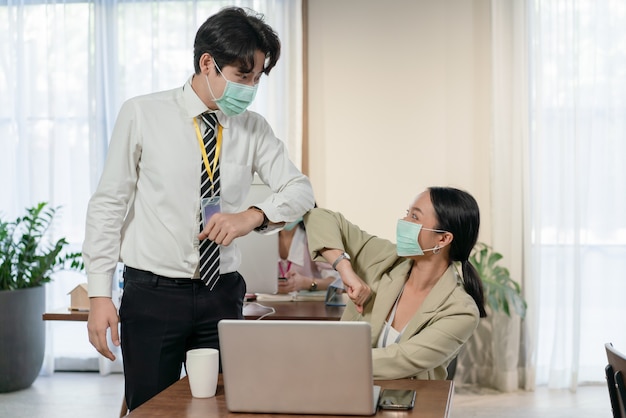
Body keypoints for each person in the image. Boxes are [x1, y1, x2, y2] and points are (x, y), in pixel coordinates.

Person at [82, 7, 315, 411]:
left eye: (258, 78)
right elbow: (108, 205)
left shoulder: (253, 127)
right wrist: (99, 295)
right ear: (208, 63)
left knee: (225, 406)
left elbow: (300, 191)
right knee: (151, 408)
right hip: (152, 294)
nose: (251, 88)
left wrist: (252, 216)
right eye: (244, 76)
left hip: (221, 293)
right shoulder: (142, 113)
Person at [303, 186, 486, 380]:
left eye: (414, 217)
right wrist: (344, 268)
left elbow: (402, 360)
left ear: (442, 239)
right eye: (407, 214)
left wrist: (330, 359)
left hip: (409, 402)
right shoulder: (385, 258)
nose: (403, 222)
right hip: (344, 386)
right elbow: (318, 216)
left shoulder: (461, 311)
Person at [276, 218, 340, 294]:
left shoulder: (316, 239)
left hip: (310, 304)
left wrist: (306, 283)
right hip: (270, 303)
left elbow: (338, 283)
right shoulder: (263, 240)